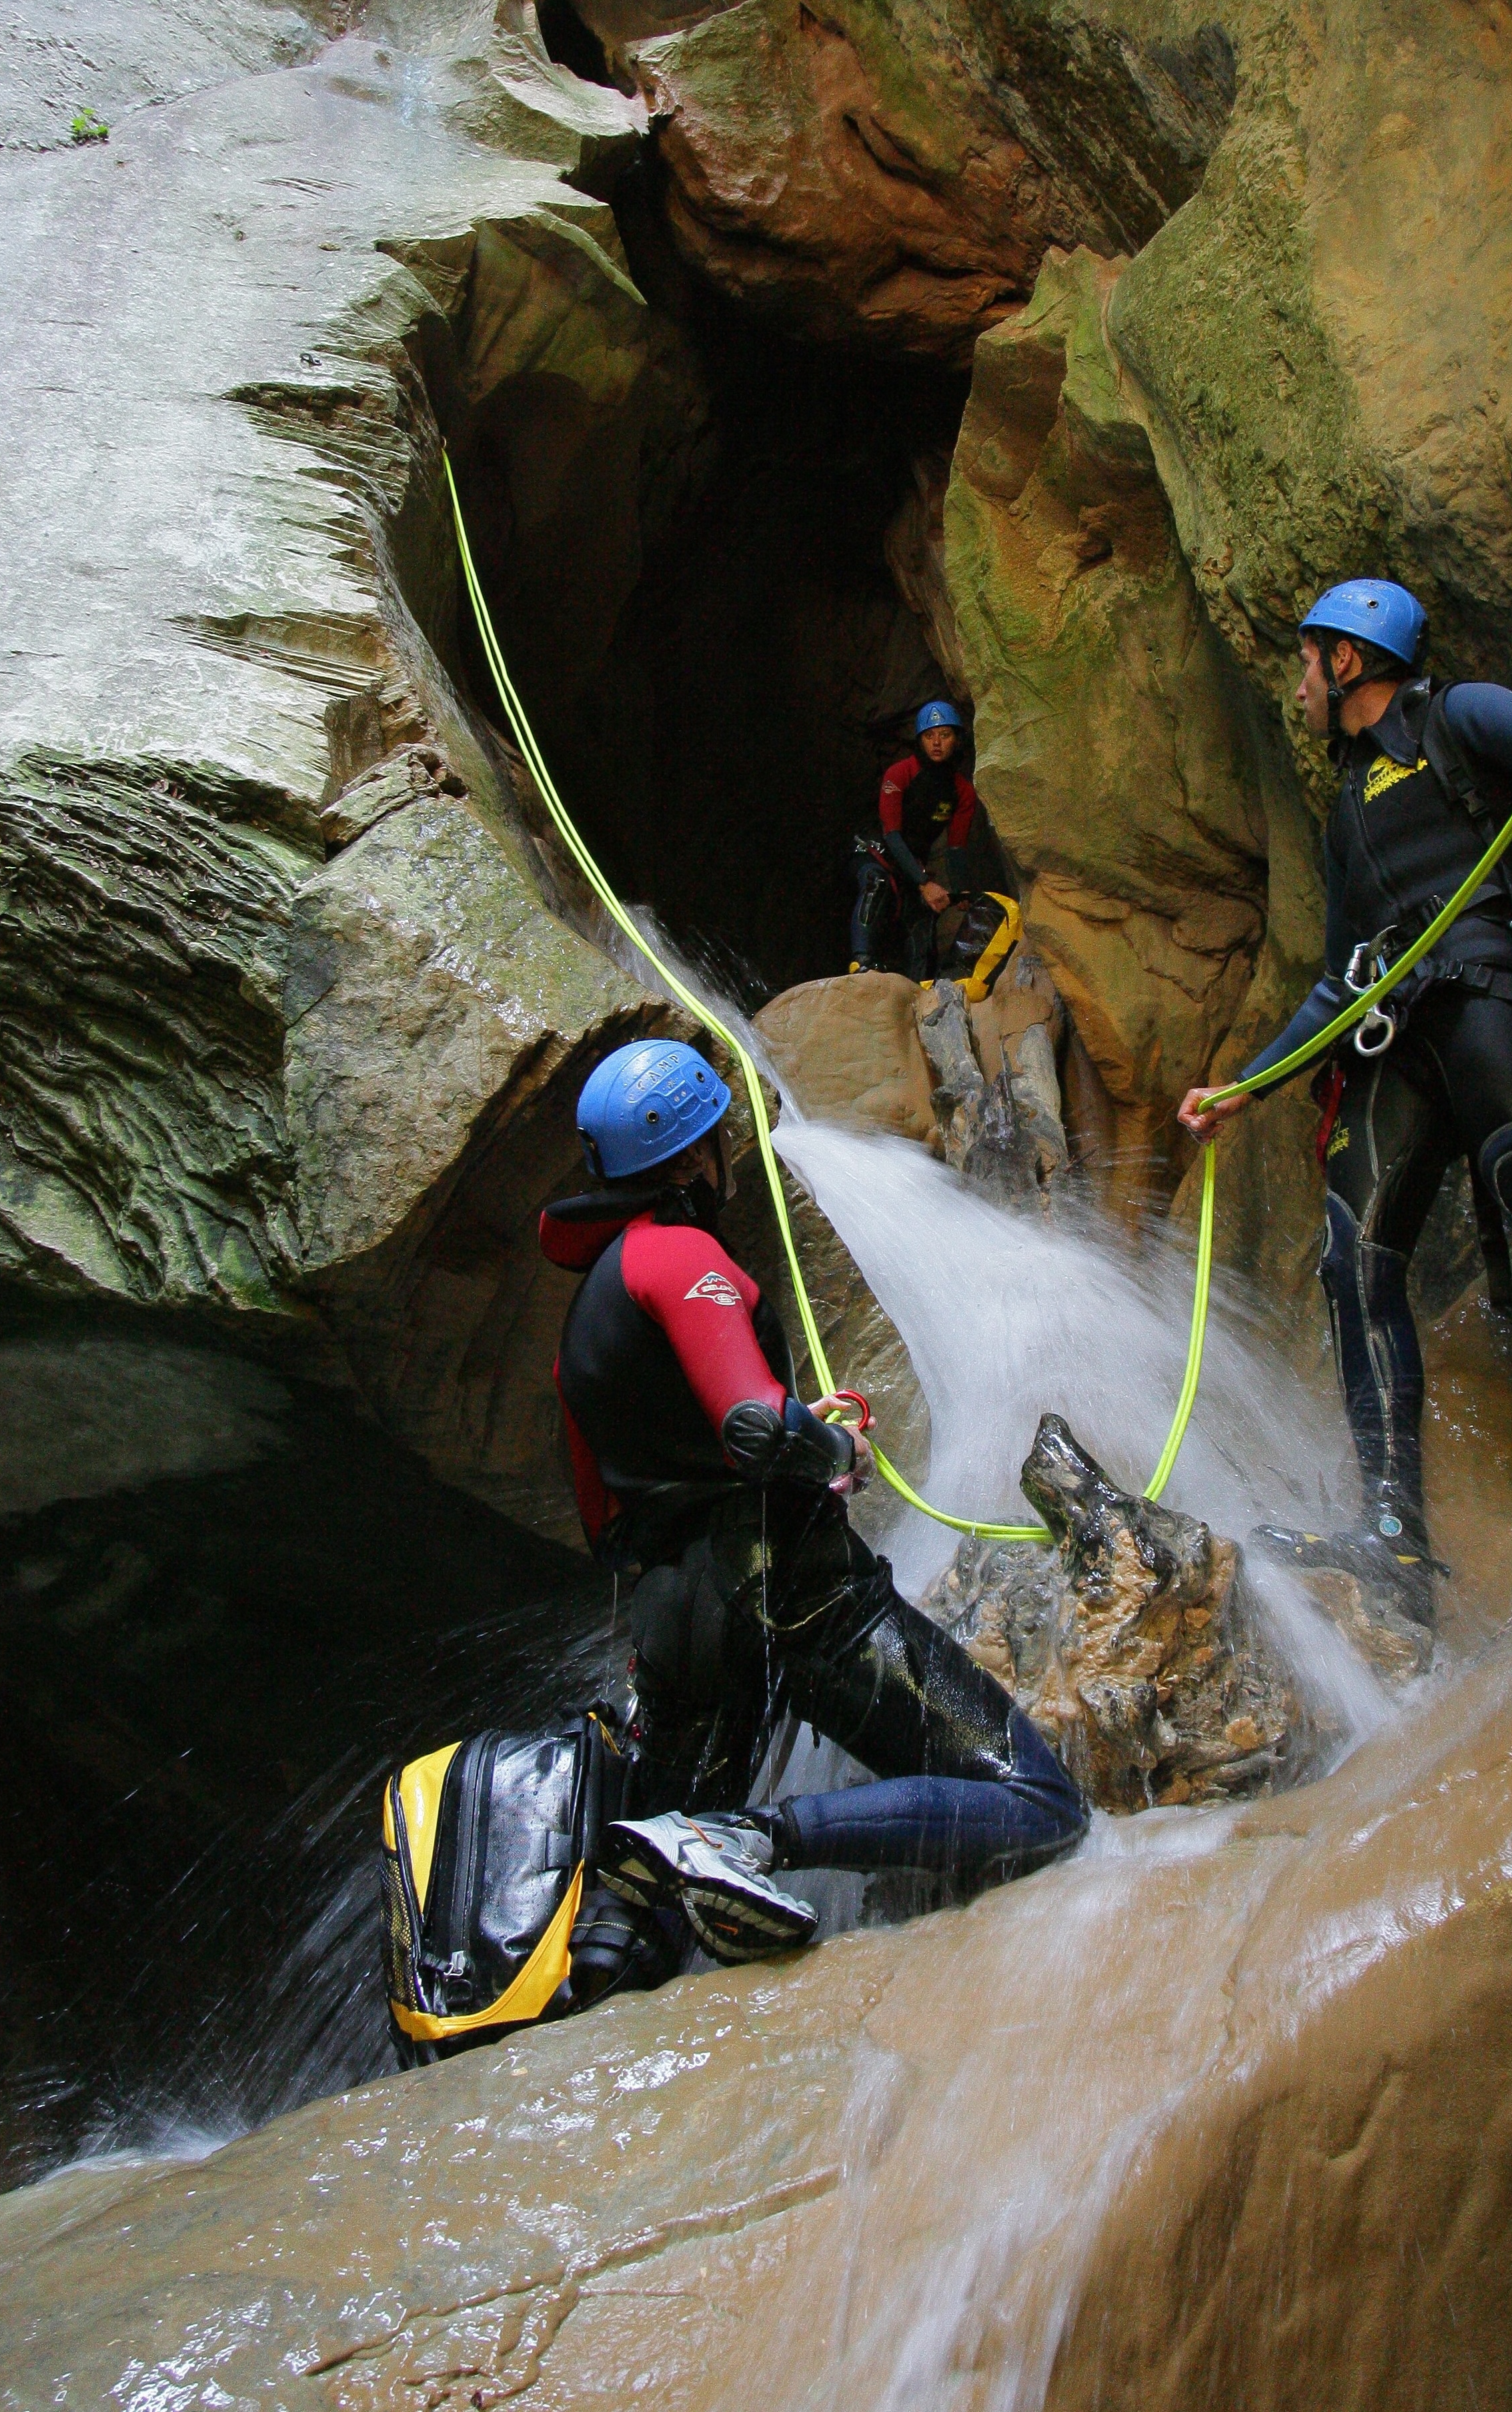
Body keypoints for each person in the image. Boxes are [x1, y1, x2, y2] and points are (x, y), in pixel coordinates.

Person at [1177, 578, 1512, 1615]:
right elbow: (1337, 983)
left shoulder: (1455, 715)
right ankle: (1393, 1539)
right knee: (1352, 1255)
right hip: (1394, 1033)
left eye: (1305, 661)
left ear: (1347, 660)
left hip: (1483, 991)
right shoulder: (1344, 810)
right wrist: (1243, 1088)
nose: (1297, 686)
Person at [539, 1036, 1086, 2004]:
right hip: (801, 1604)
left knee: (634, 1912)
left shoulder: (586, 1315)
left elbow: (604, 1515)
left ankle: (584, 2013)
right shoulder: (680, 1258)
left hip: (675, 1629)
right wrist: (833, 1452)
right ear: (693, 1155)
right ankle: (759, 1840)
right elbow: (753, 1426)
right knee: (1036, 1800)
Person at [851, 700, 977, 978]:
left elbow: (956, 847)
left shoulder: (962, 791)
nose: (937, 743)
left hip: (910, 862)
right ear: (919, 740)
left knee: (924, 913)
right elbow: (892, 835)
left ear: (957, 740)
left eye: (945, 735)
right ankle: (861, 962)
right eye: (929, 736)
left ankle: (921, 983)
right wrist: (923, 883)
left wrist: (962, 890)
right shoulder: (899, 773)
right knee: (878, 883)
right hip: (873, 851)